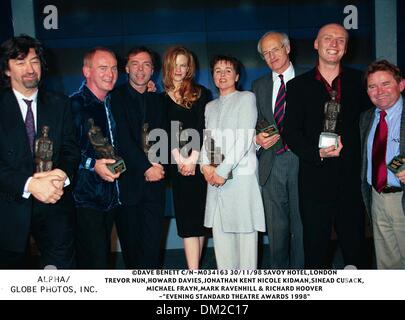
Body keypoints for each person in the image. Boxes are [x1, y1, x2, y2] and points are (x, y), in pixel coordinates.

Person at [284, 23, 371, 269]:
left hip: (351, 179)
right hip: (314, 180)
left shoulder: (361, 82)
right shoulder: (297, 86)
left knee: (356, 249)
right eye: (328, 38)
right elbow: (291, 133)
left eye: (340, 40)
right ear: (316, 44)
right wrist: (316, 152)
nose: (334, 44)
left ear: (346, 47)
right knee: (315, 250)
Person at [0, 35, 80, 269]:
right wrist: (30, 185)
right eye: (20, 62)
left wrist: (60, 177)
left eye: (34, 61)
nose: (30, 69)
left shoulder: (60, 103)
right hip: (9, 210)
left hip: (55, 206)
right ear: (6, 69)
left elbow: (70, 150)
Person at [201, 55, 265, 269]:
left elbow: (245, 138)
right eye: (217, 71)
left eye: (228, 70)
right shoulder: (210, 106)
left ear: (237, 76)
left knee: (246, 244)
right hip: (215, 182)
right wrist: (205, 168)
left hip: (240, 180)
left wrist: (221, 171)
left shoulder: (246, 98)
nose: (222, 75)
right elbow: (207, 141)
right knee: (221, 242)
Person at [110, 47, 166, 269]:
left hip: (156, 183)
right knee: (132, 249)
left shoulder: (158, 100)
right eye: (135, 64)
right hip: (127, 183)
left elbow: (166, 135)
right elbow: (121, 137)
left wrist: (158, 168)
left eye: (146, 65)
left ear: (153, 70)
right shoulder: (115, 98)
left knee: (153, 248)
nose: (140, 70)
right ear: (126, 68)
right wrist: (146, 167)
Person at [252, 31, 304, 269]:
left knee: (303, 227)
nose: (271, 56)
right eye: (266, 53)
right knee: (276, 230)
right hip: (271, 164)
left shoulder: (309, 79)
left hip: (303, 162)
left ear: (287, 48)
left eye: (275, 49)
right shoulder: (259, 85)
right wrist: (257, 138)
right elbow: (254, 121)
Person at [70, 47, 121, 269]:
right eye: (103, 68)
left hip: (111, 197)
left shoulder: (112, 102)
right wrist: (92, 165)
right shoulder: (74, 105)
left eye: (114, 68)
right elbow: (65, 151)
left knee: (102, 259)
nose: (110, 73)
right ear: (87, 71)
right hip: (85, 199)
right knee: (94, 263)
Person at [162, 46, 209, 269]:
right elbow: (162, 131)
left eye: (184, 64)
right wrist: (180, 160)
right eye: (176, 65)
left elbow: (203, 128)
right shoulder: (160, 98)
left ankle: (194, 271)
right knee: (188, 222)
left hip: (200, 165)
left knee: (199, 222)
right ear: (168, 67)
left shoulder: (202, 93)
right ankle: (194, 273)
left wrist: (193, 159)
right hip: (178, 166)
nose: (180, 69)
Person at [360, 60, 405, 269]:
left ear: (401, 85)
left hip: (401, 198)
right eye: (372, 86)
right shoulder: (367, 118)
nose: (379, 91)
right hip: (377, 199)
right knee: (387, 265)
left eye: (385, 84)